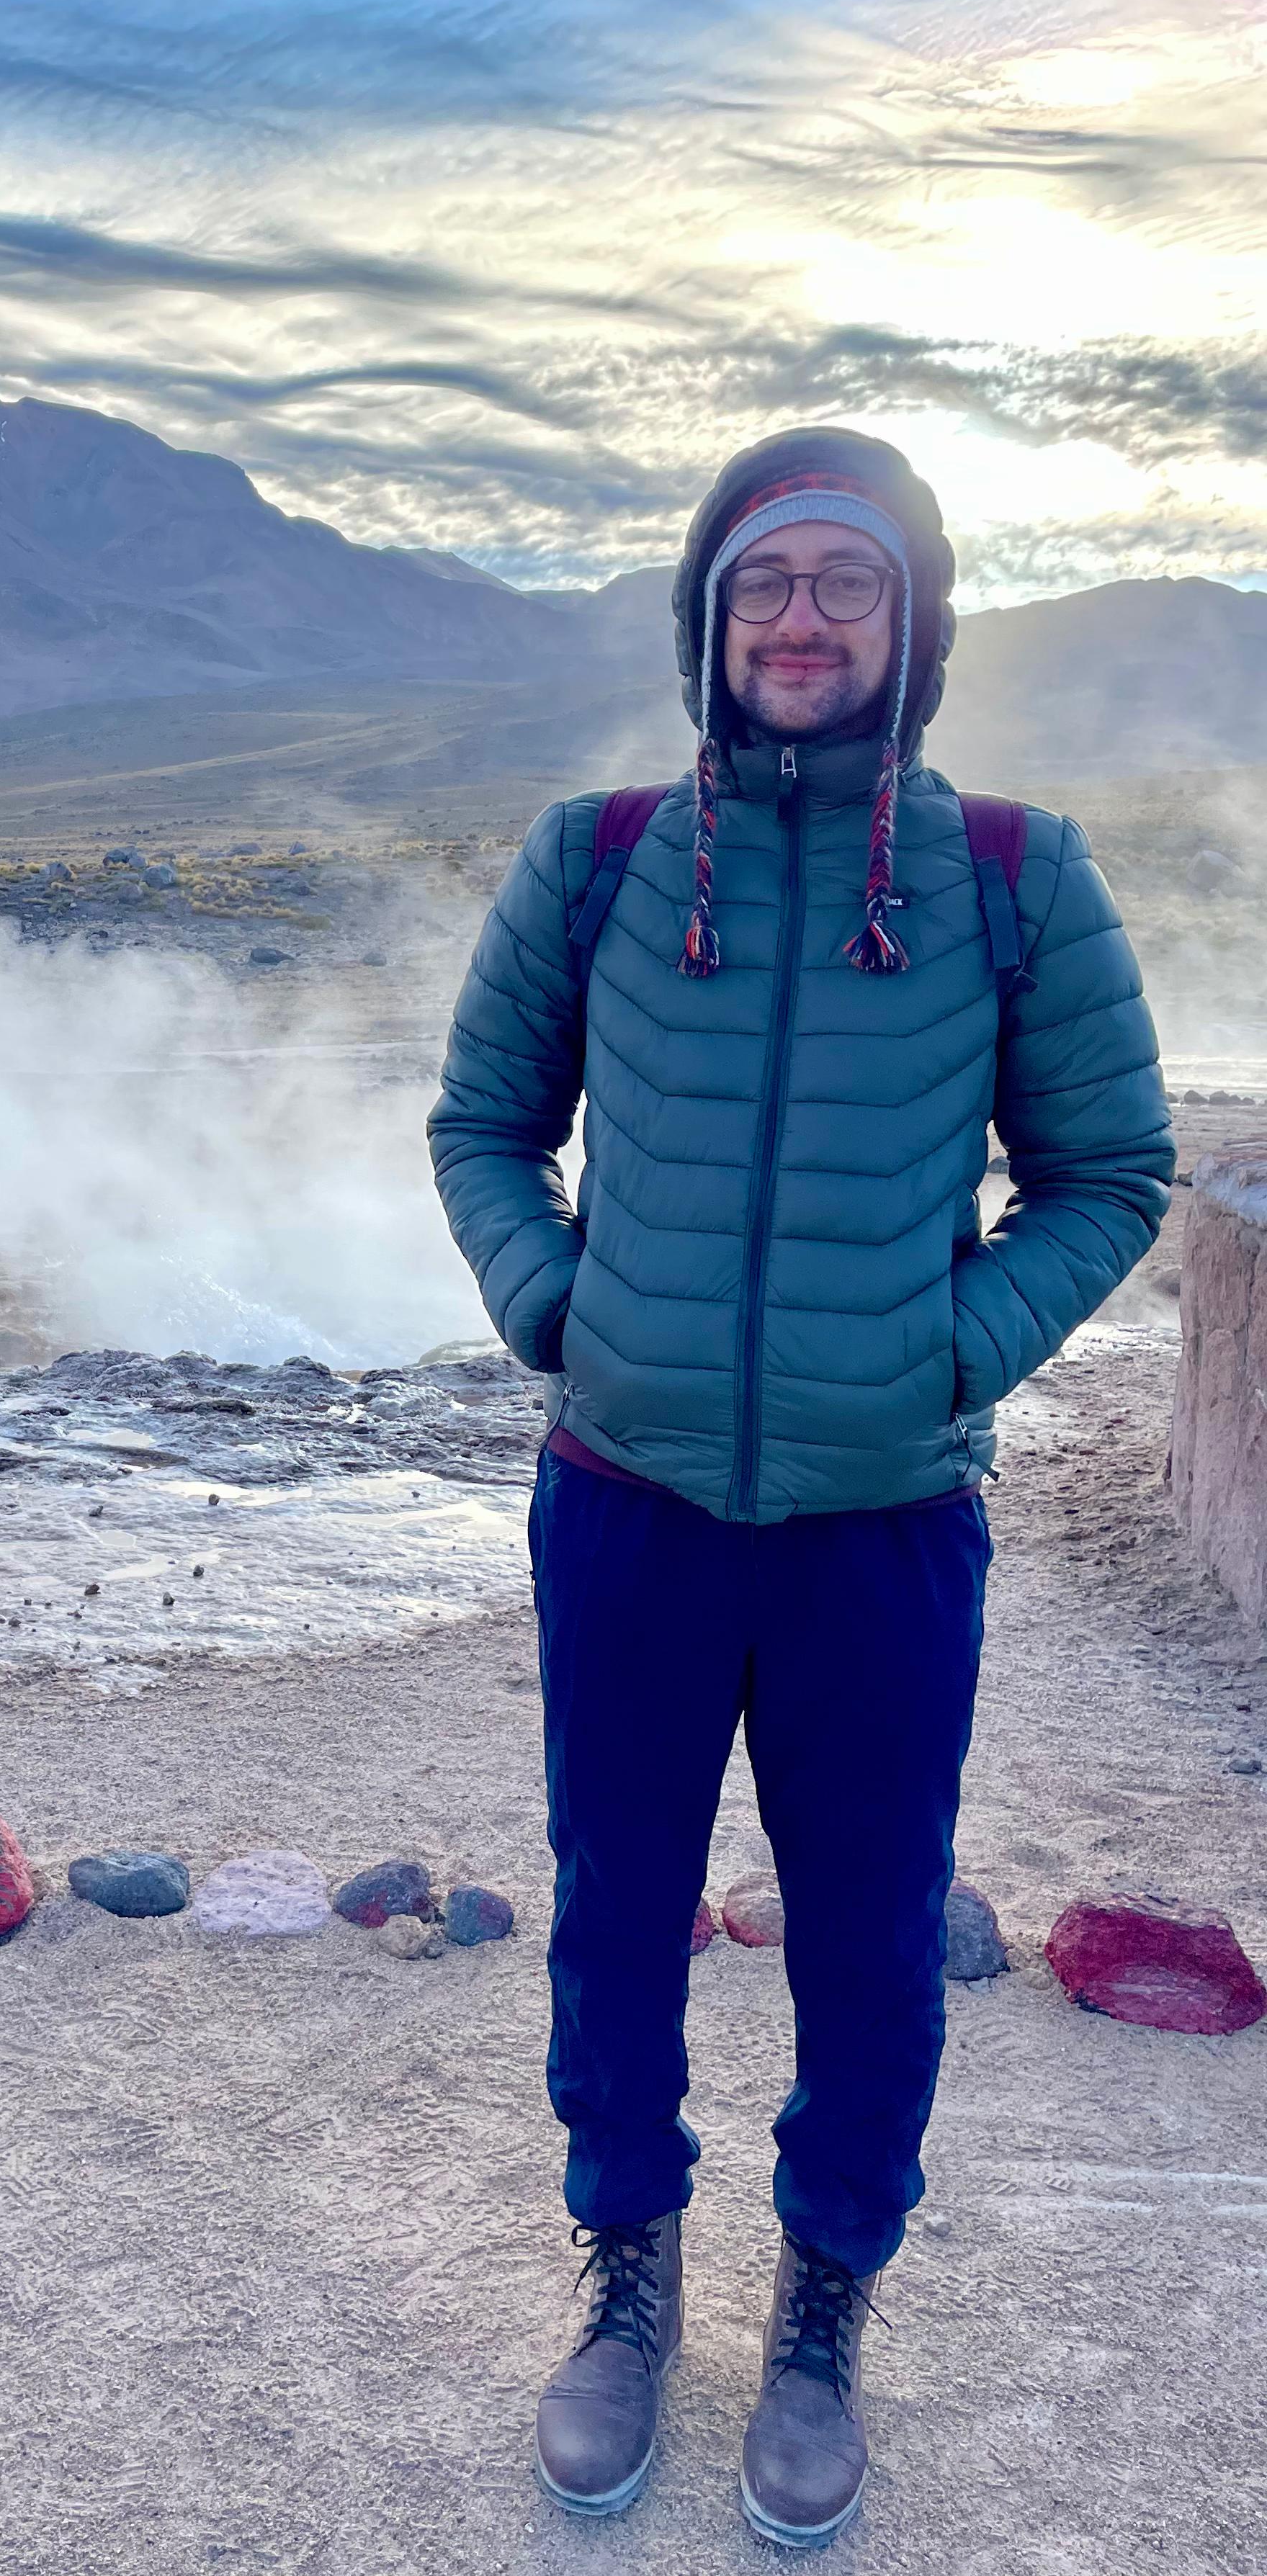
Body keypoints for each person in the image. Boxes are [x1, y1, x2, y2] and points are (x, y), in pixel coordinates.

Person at [427, 427, 1172, 2549]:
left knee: (865, 1930)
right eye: (767, 586)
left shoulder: (1014, 875)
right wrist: (561, 1311)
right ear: (708, 619)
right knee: (616, 1908)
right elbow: (483, 1124)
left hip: (883, 1523)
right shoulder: (596, 859)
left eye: (848, 584)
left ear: (914, 625)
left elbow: (1106, 1174)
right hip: (630, 1499)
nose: (804, 621)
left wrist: (946, 1350)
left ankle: (829, 2301)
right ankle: (628, 2273)